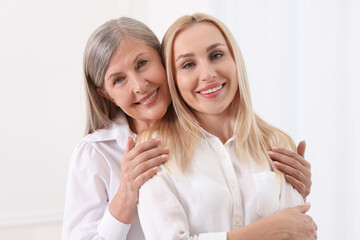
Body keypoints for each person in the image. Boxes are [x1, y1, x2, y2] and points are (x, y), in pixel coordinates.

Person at [62, 16, 313, 240]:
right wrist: (126, 195)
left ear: (163, 63)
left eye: (142, 63)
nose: (140, 85)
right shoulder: (96, 153)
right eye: (119, 80)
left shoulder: (217, 133)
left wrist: (288, 188)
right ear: (106, 95)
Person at [137, 13, 317, 240]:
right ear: (173, 78)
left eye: (216, 55)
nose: (208, 73)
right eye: (188, 64)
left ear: (235, 60)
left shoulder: (277, 144)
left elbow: (298, 233)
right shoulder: (154, 151)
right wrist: (263, 232)